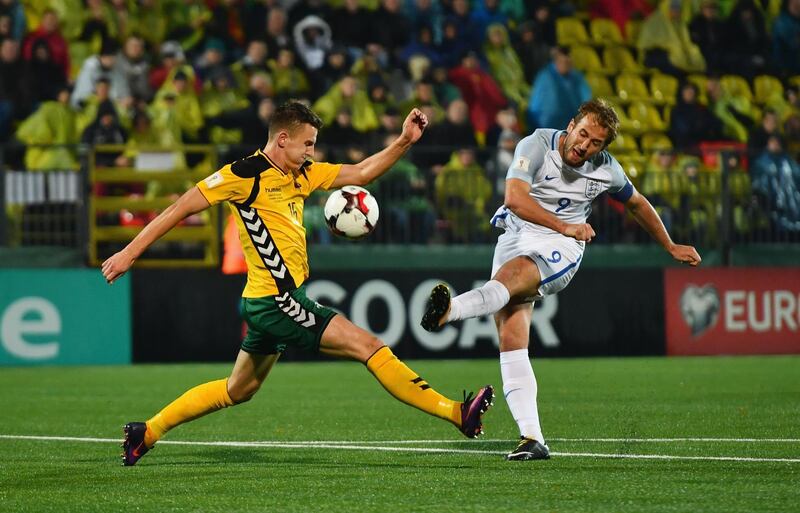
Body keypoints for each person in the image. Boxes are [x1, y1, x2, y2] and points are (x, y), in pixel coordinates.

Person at [101, 101, 494, 466]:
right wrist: (129, 253)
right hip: (276, 300)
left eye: (314, 144)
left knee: (238, 390)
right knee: (369, 346)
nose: (311, 151)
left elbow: (361, 173)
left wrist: (405, 141)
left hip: (272, 300)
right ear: (282, 138)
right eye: (307, 143)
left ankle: (146, 432)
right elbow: (180, 207)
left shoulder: (302, 174)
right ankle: (456, 413)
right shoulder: (244, 174)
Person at [419, 99, 701, 461]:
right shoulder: (535, 145)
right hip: (519, 233)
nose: (585, 145)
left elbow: (637, 203)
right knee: (511, 337)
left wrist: (670, 244)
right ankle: (532, 438)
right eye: (583, 134)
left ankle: (451, 311)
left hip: (562, 247)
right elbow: (515, 199)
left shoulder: (607, 170)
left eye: (596, 143)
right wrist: (563, 223)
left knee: (512, 277)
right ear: (571, 125)